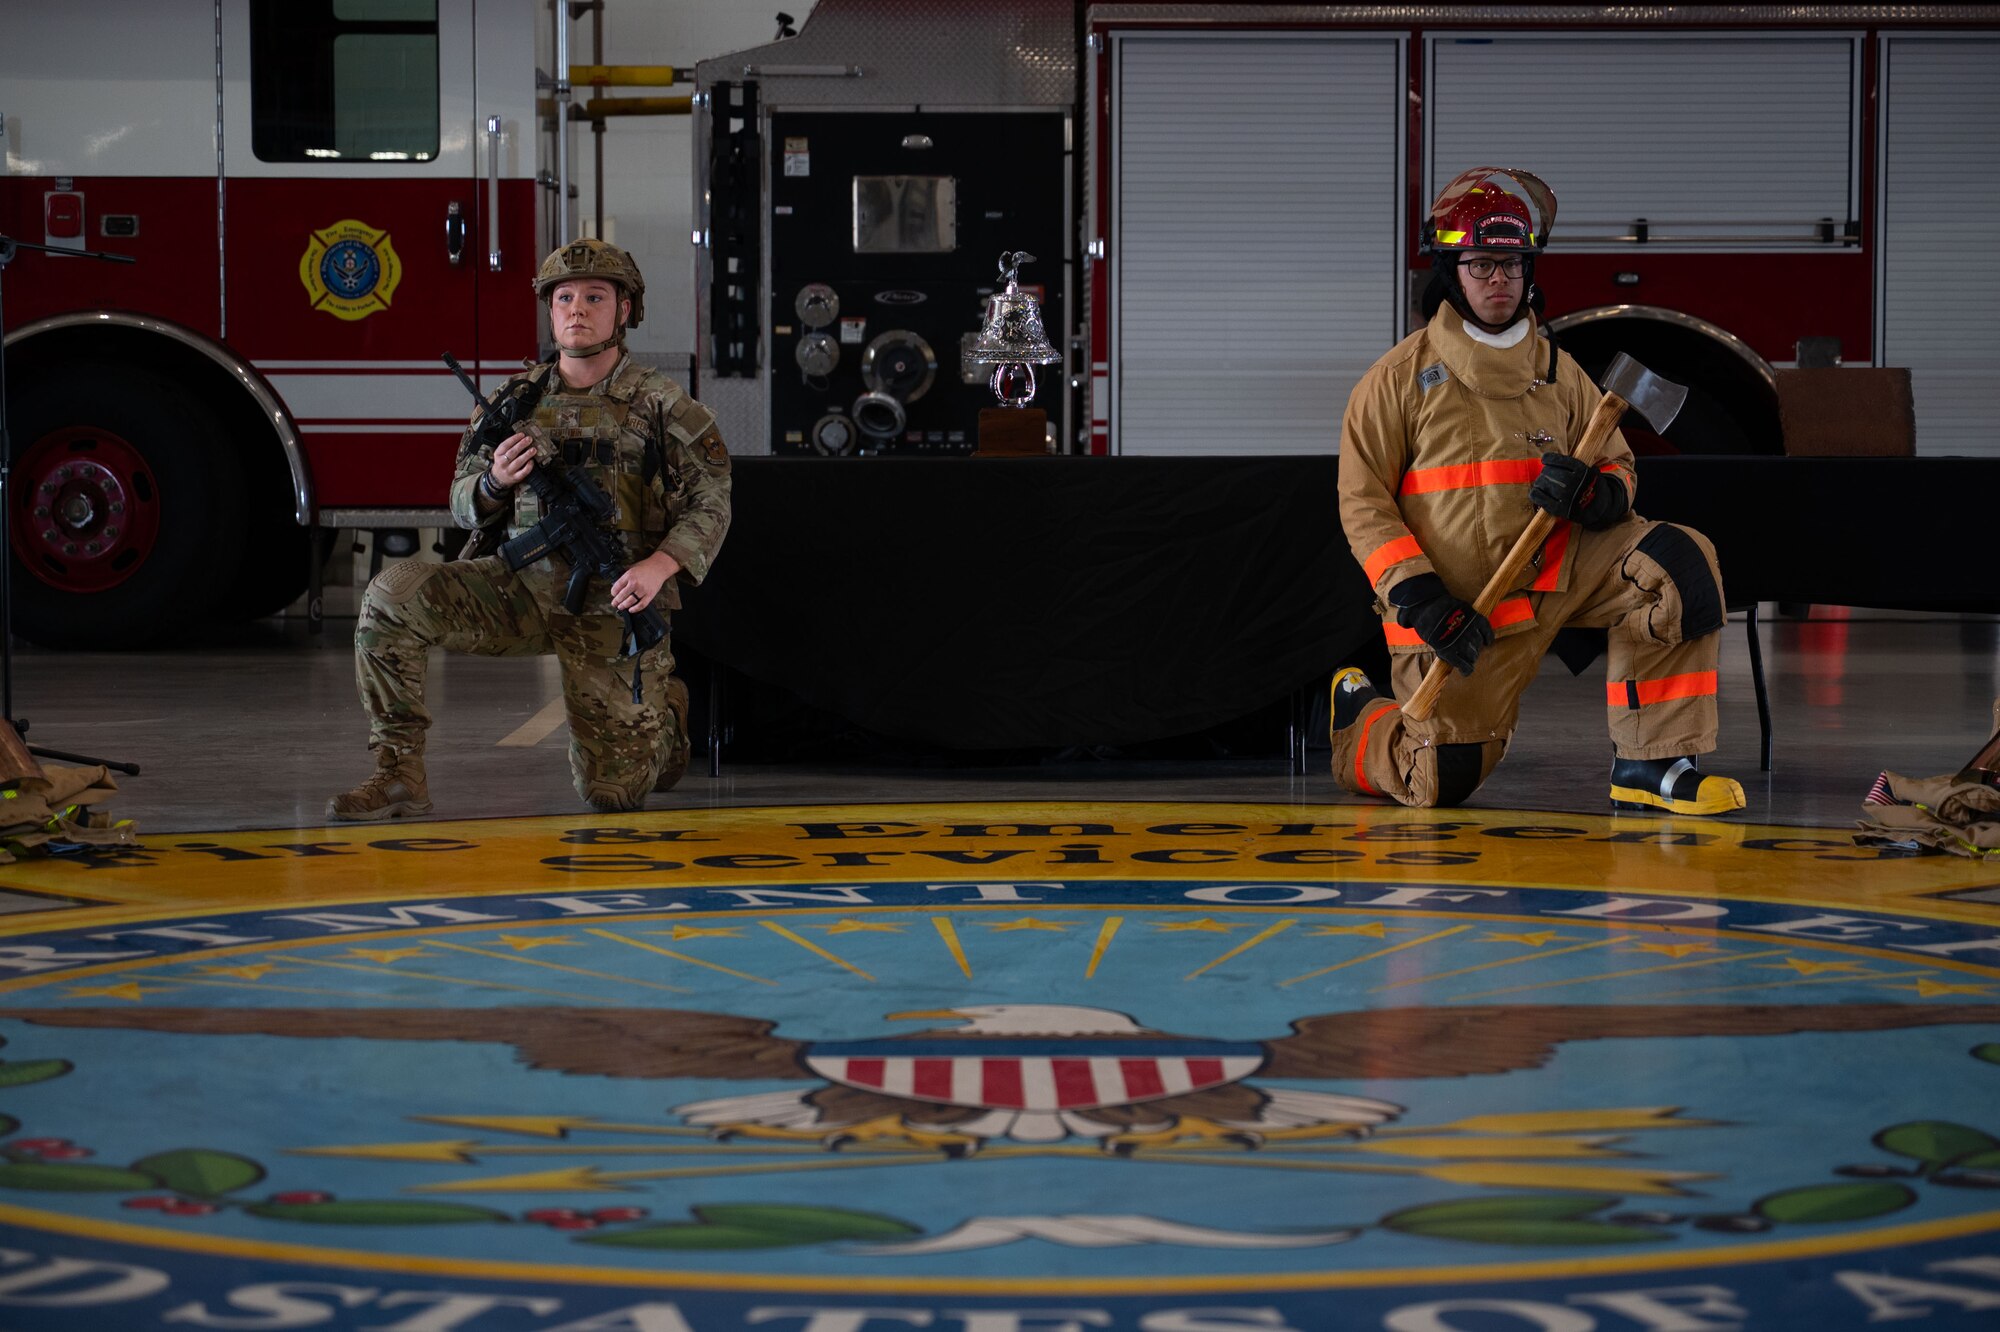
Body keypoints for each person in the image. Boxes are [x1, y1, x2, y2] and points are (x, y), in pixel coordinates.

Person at [1327, 167, 1743, 817]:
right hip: (1459, 605)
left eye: (1513, 265)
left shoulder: (1559, 372)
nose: (1499, 279)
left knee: (1676, 563)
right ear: (1450, 271)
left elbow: (1618, 466)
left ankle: (1651, 763)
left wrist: (1598, 497)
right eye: (1482, 264)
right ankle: (1362, 717)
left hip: (1561, 571)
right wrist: (1419, 597)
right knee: (1438, 778)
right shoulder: (1395, 380)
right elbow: (1362, 504)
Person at [328, 238, 731, 820]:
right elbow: (460, 504)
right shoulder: (513, 402)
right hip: (518, 589)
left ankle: (665, 715)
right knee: (392, 598)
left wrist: (658, 565)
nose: (576, 309)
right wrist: (493, 483)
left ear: (624, 311)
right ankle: (398, 772)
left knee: (609, 795)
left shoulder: (662, 404)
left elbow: (711, 501)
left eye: (595, 296)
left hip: (611, 603)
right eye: (563, 297)